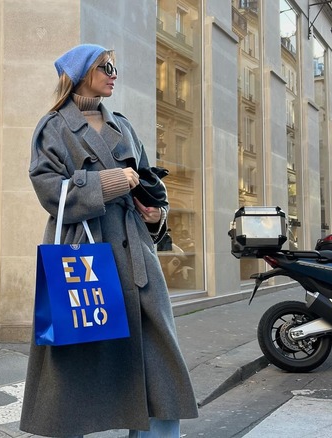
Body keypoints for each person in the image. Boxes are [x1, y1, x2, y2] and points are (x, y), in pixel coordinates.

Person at [20, 43, 199, 437]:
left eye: (115, 67)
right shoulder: (53, 127)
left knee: (158, 364)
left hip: (136, 258)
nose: (114, 74)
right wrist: (108, 182)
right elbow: (49, 190)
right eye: (106, 67)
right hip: (83, 254)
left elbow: (150, 182)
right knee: (75, 366)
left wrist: (156, 214)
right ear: (82, 72)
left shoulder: (124, 125)